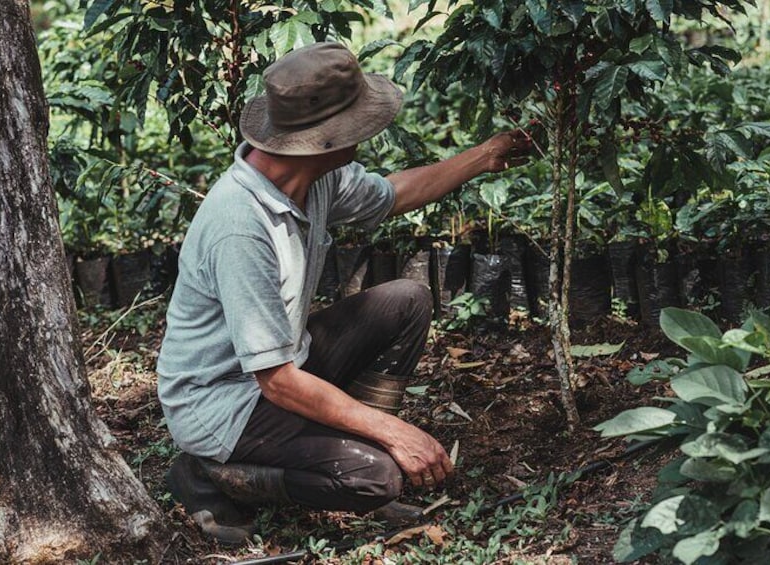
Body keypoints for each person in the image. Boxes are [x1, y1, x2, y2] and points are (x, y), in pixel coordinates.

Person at [157, 41, 531, 544]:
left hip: (281, 368)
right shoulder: (240, 227)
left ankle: (347, 440)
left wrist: (486, 155)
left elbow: (395, 193)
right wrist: (394, 431)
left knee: (406, 301)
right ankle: (211, 475)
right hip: (225, 405)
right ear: (325, 139)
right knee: (373, 477)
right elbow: (278, 383)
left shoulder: (313, 179)